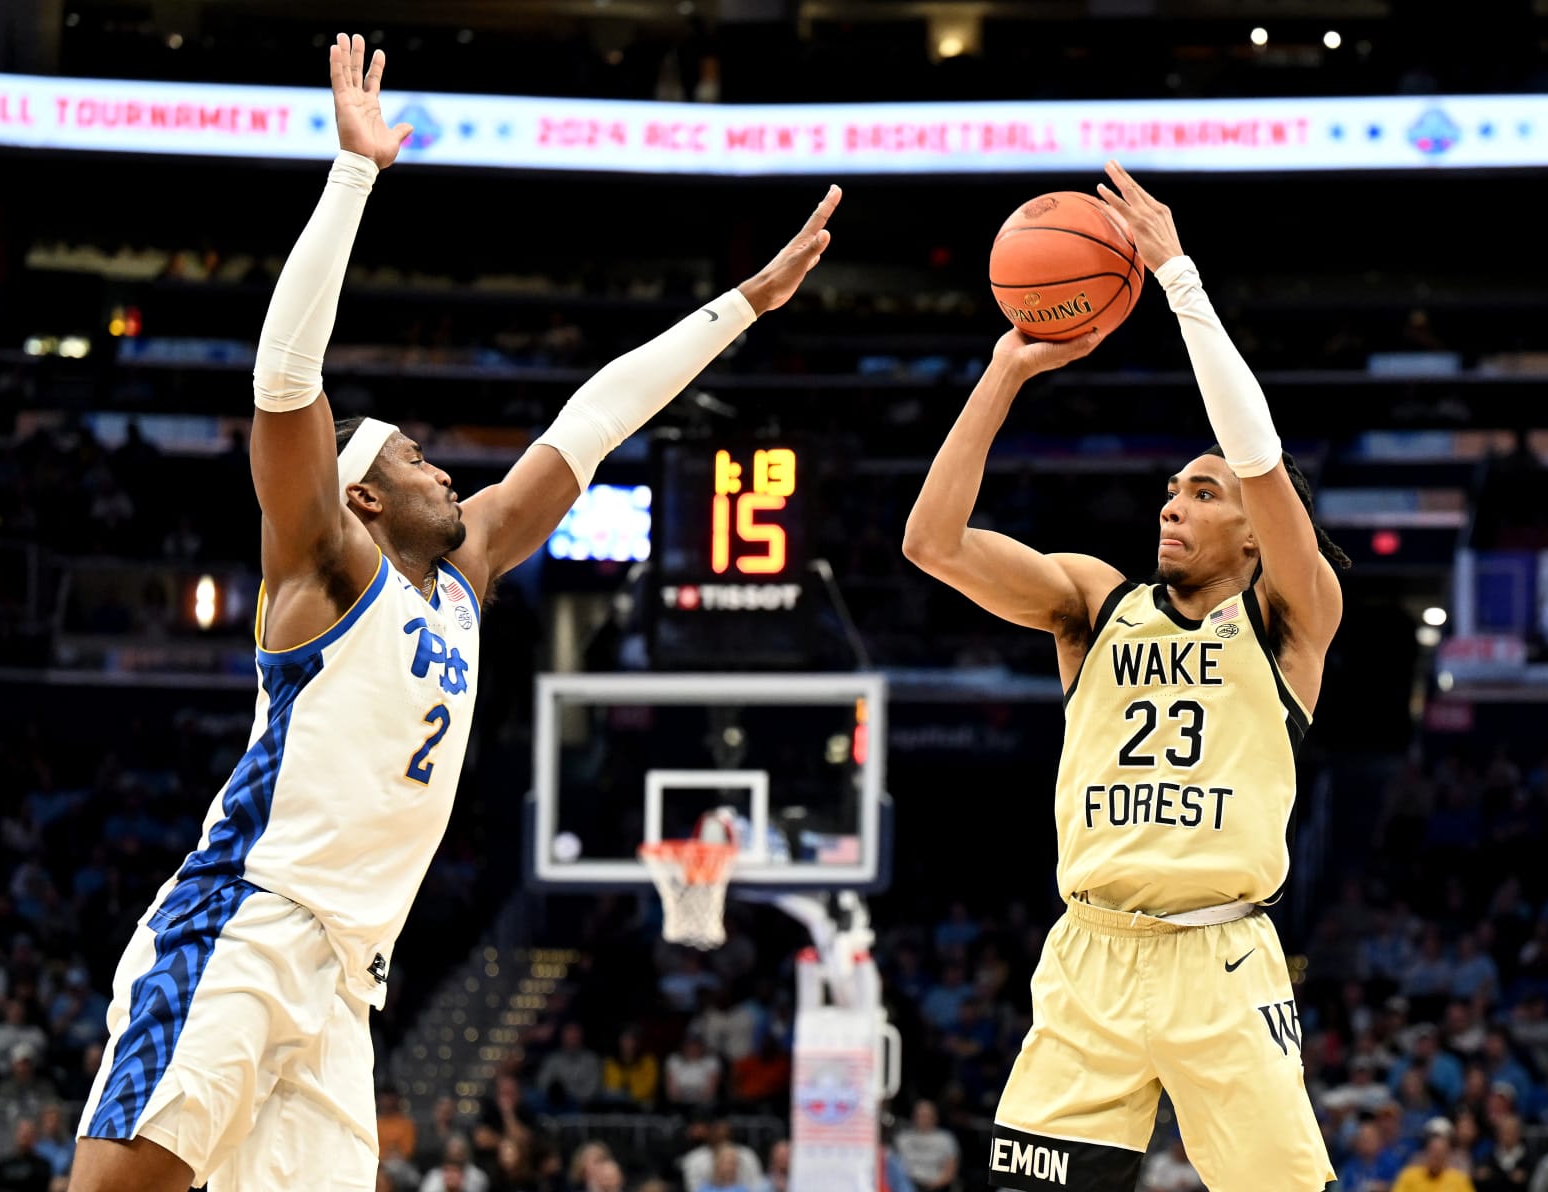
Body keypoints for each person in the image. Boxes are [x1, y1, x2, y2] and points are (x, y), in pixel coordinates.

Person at [67, 33, 839, 1192]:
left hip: (346, 979)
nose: (449, 474)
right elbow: (284, 380)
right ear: (363, 492)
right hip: (245, 927)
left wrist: (744, 305)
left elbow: (593, 420)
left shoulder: (465, 580)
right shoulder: (324, 570)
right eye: (422, 459)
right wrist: (352, 174)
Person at [904, 160, 1350, 1192]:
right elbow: (931, 541)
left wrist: (1181, 281)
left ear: (1255, 526)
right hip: (1090, 954)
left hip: (1221, 960)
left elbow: (1260, 454)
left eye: (1202, 492)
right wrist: (1006, 372)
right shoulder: (1093, 602)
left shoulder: (1293, 618)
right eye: (1170, 489)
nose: (1174, 505)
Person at [1386, 1135, 1472, 1192]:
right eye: (1433, 1151)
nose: (1436, 1156)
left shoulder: (1459, 1180)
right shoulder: (1408, 1175)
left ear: (1448, 1156)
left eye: (1441, 1153)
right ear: (1426, 1153)